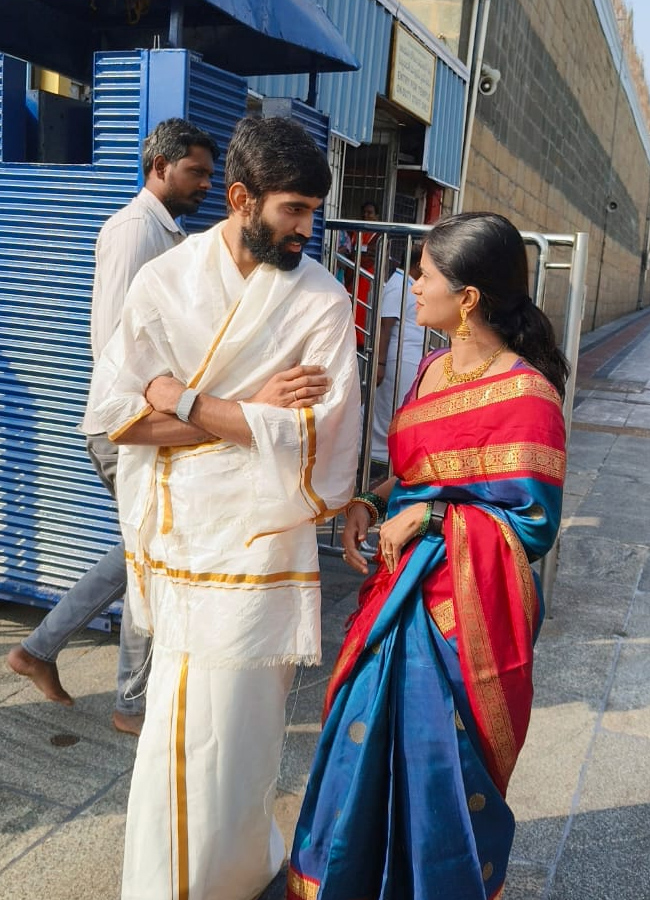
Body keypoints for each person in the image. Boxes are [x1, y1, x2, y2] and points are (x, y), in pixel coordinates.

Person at [87, 115, 360, 899]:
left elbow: (321, 440)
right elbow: (119, 416)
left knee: (242, 731)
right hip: (180, 538)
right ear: (241, 198)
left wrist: (184, 398)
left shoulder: (322, 304)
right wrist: (246, 410)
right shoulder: (163, 282)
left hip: (262, 546)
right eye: (294, 210)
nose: (309, 228)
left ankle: (237, 869)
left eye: (313, 211)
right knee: (180, 727)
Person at [288, 212, 569, 900]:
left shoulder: (529, 397)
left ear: (467, 297)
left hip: (459, 615)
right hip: (397, 593)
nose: (411, 286)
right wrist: (375, 500)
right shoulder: (435, 370)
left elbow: (531, 525)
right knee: (361, 742)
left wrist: (436, 516)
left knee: (436, 758)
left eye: (424, 274)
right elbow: (418, 474)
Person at [7, 118, 218, 737]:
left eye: (209, 173)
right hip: (130, 422)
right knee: (150, 551)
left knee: (141, 549)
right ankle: (130, 702)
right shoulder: (133, 232)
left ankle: (40, 652)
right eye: (196, 172)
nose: (206, 184)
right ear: (160, 166)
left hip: (145, 419)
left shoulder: (167, 231)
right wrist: (163, 410)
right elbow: (115, 340)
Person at [371, 242, 424, 467]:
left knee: (399, 408)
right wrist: (380, 363)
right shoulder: (399, 285)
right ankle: (378, 456)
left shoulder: (408, 284)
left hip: (408, 358)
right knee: (390, 409)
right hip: (397, 359)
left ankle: (386, 455)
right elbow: (385, 325)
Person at [346, 200, 380, 348]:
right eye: (364, 213)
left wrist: (359, 254)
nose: (366, 216)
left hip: (368, 274)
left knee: (362, 306)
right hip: (352, 273)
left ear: (376, 216)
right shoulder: (355, 231)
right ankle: (349, 334)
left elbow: (373, 254)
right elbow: (350, 251)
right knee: (349, 302)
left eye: (370, 213)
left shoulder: (378, 234)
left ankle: (359, 339)